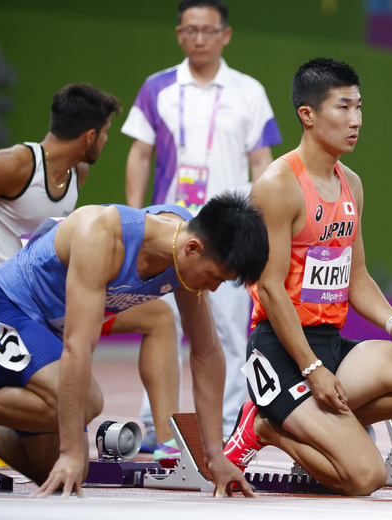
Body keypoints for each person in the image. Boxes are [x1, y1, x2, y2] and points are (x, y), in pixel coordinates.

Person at [222, 57, 392, 496]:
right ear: (307, 116)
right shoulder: (277, 185)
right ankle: (267, 427)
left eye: (359, 107)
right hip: (280, 350)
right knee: (365, 477)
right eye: (343, 108)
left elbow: (357, 275)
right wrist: (311, 370)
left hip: (332, 343)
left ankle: (318, 427)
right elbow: (270, 290)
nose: (357, 121)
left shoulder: (352, 183)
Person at [0, 191, 267, 497]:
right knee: (87, 404)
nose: (214, 288)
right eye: (215, 277)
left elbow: (206, 352)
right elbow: (78, 345)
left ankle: (1, 424)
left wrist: (215, 455)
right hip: (6, 305)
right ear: (192, 248)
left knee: (69, 473)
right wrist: (68, 450)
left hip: (51, 326)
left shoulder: (187, 247)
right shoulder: (102, 236)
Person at [0, 83, 180, 463]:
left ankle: (168, 441)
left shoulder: (78, 172)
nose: (107, 140)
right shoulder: (16, 165)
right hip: (5, 295)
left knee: (158, 315)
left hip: (51, 295)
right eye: (107, 132)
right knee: (73, 405)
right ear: (91, 134)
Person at [122, 0, 283, 442]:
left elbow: (261, 162)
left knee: (229, 330)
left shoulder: (248, 91)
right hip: (172, 231)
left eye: (208, 31)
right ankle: (158, 423)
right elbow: (139, 153)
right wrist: (135, 218)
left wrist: (258, 227)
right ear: (178, 34)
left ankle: (228, 422)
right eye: (190, 30)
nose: (199, 38)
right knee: (162, 324)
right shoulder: (157, 88)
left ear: (225, 35)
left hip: (227, 236)